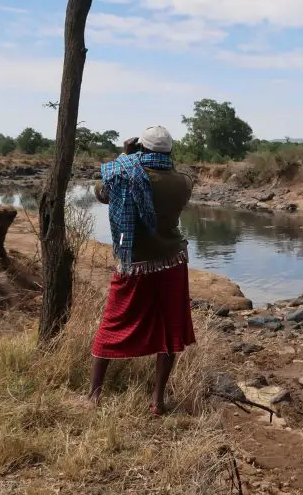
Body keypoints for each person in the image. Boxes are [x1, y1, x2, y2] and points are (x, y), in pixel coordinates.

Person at [88, 126, 195, 415]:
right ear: (169, 152)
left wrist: (125, 156)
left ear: (141, 149)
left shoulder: (123, 176)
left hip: (132, 264)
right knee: (170, 329)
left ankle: (94, 396)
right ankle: (157, 401)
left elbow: (101, 193)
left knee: (113, 321)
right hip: (171, 262)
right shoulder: (184, 182)